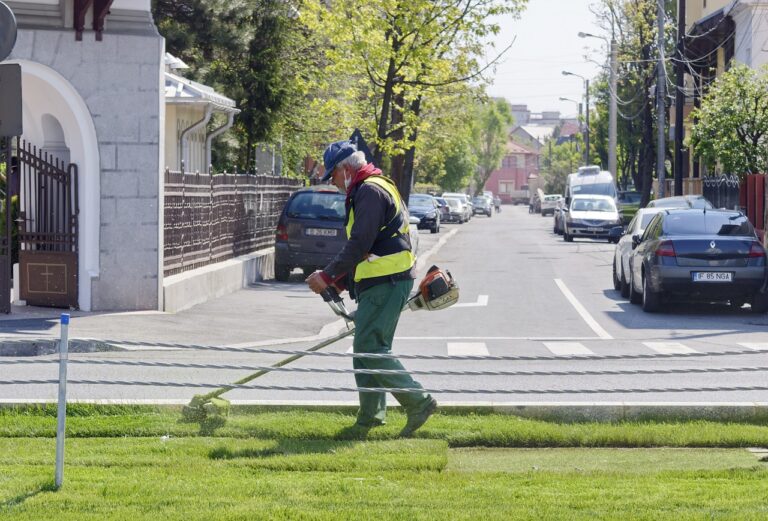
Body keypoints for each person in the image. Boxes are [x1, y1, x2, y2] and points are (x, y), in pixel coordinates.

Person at [306, 140, 438, 437]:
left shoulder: (368, 191)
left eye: (333, 175)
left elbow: (360, 244)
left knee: (369, 348)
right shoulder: (374, 187)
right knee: (366, 350)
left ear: (345, 169)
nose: (333, 183)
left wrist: (327, 276)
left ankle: (418, 402)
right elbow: (373, 246)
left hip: (386, 281)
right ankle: (370, 419)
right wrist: (340, 281)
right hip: (385, 280)